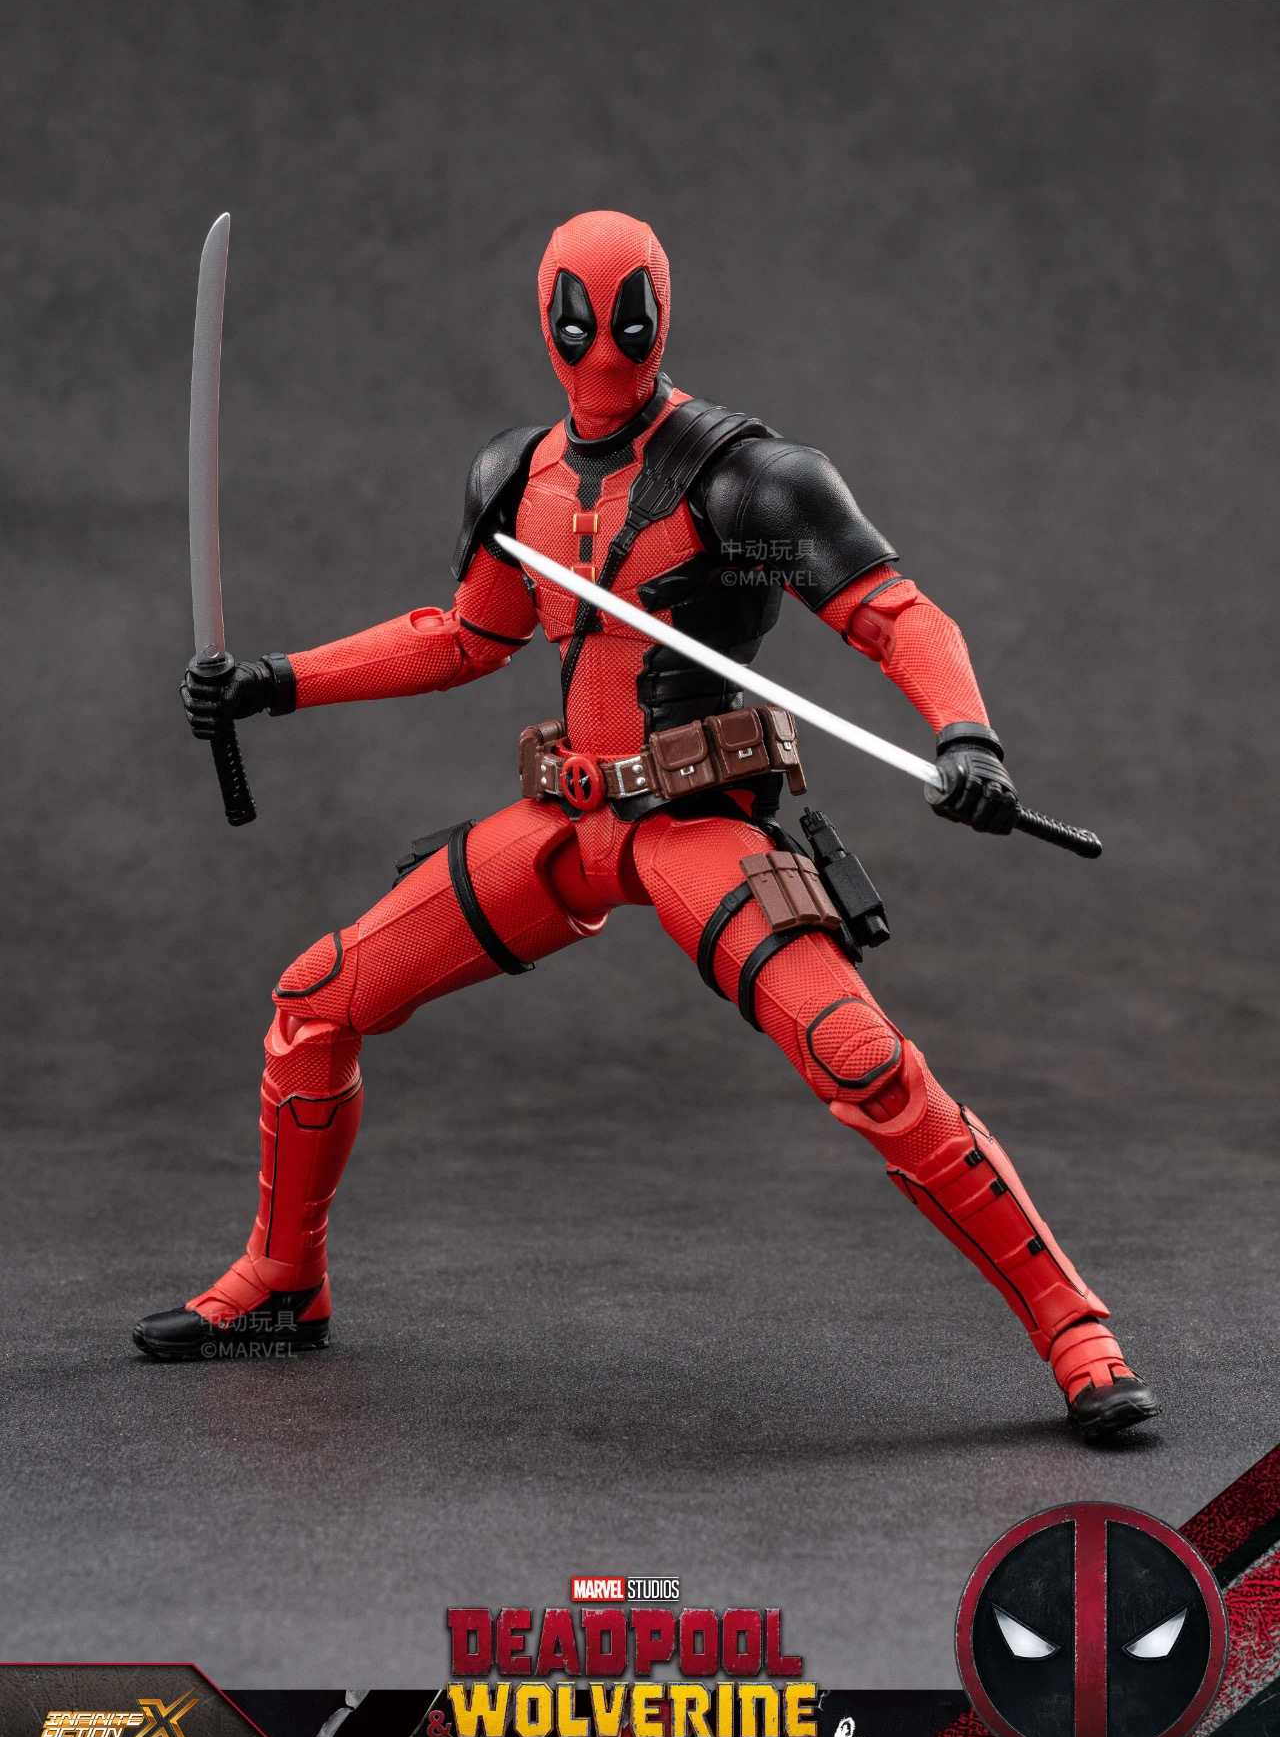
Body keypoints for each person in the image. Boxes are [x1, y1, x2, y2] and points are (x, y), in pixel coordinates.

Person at [136, 210, 1158, 1441]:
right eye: (582, 323)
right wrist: (276, 679)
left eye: (627, 322)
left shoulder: (747, 482)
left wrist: (965, 736)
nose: (606, 351)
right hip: (562, 819)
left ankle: (1073, 1330)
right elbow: (465, 636)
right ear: (548, 319)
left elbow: (893, 614)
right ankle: (282, 1281)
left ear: (659, 314)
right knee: (315, 1001)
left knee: (863, 1058)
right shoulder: (513, 476)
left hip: (695, 828)